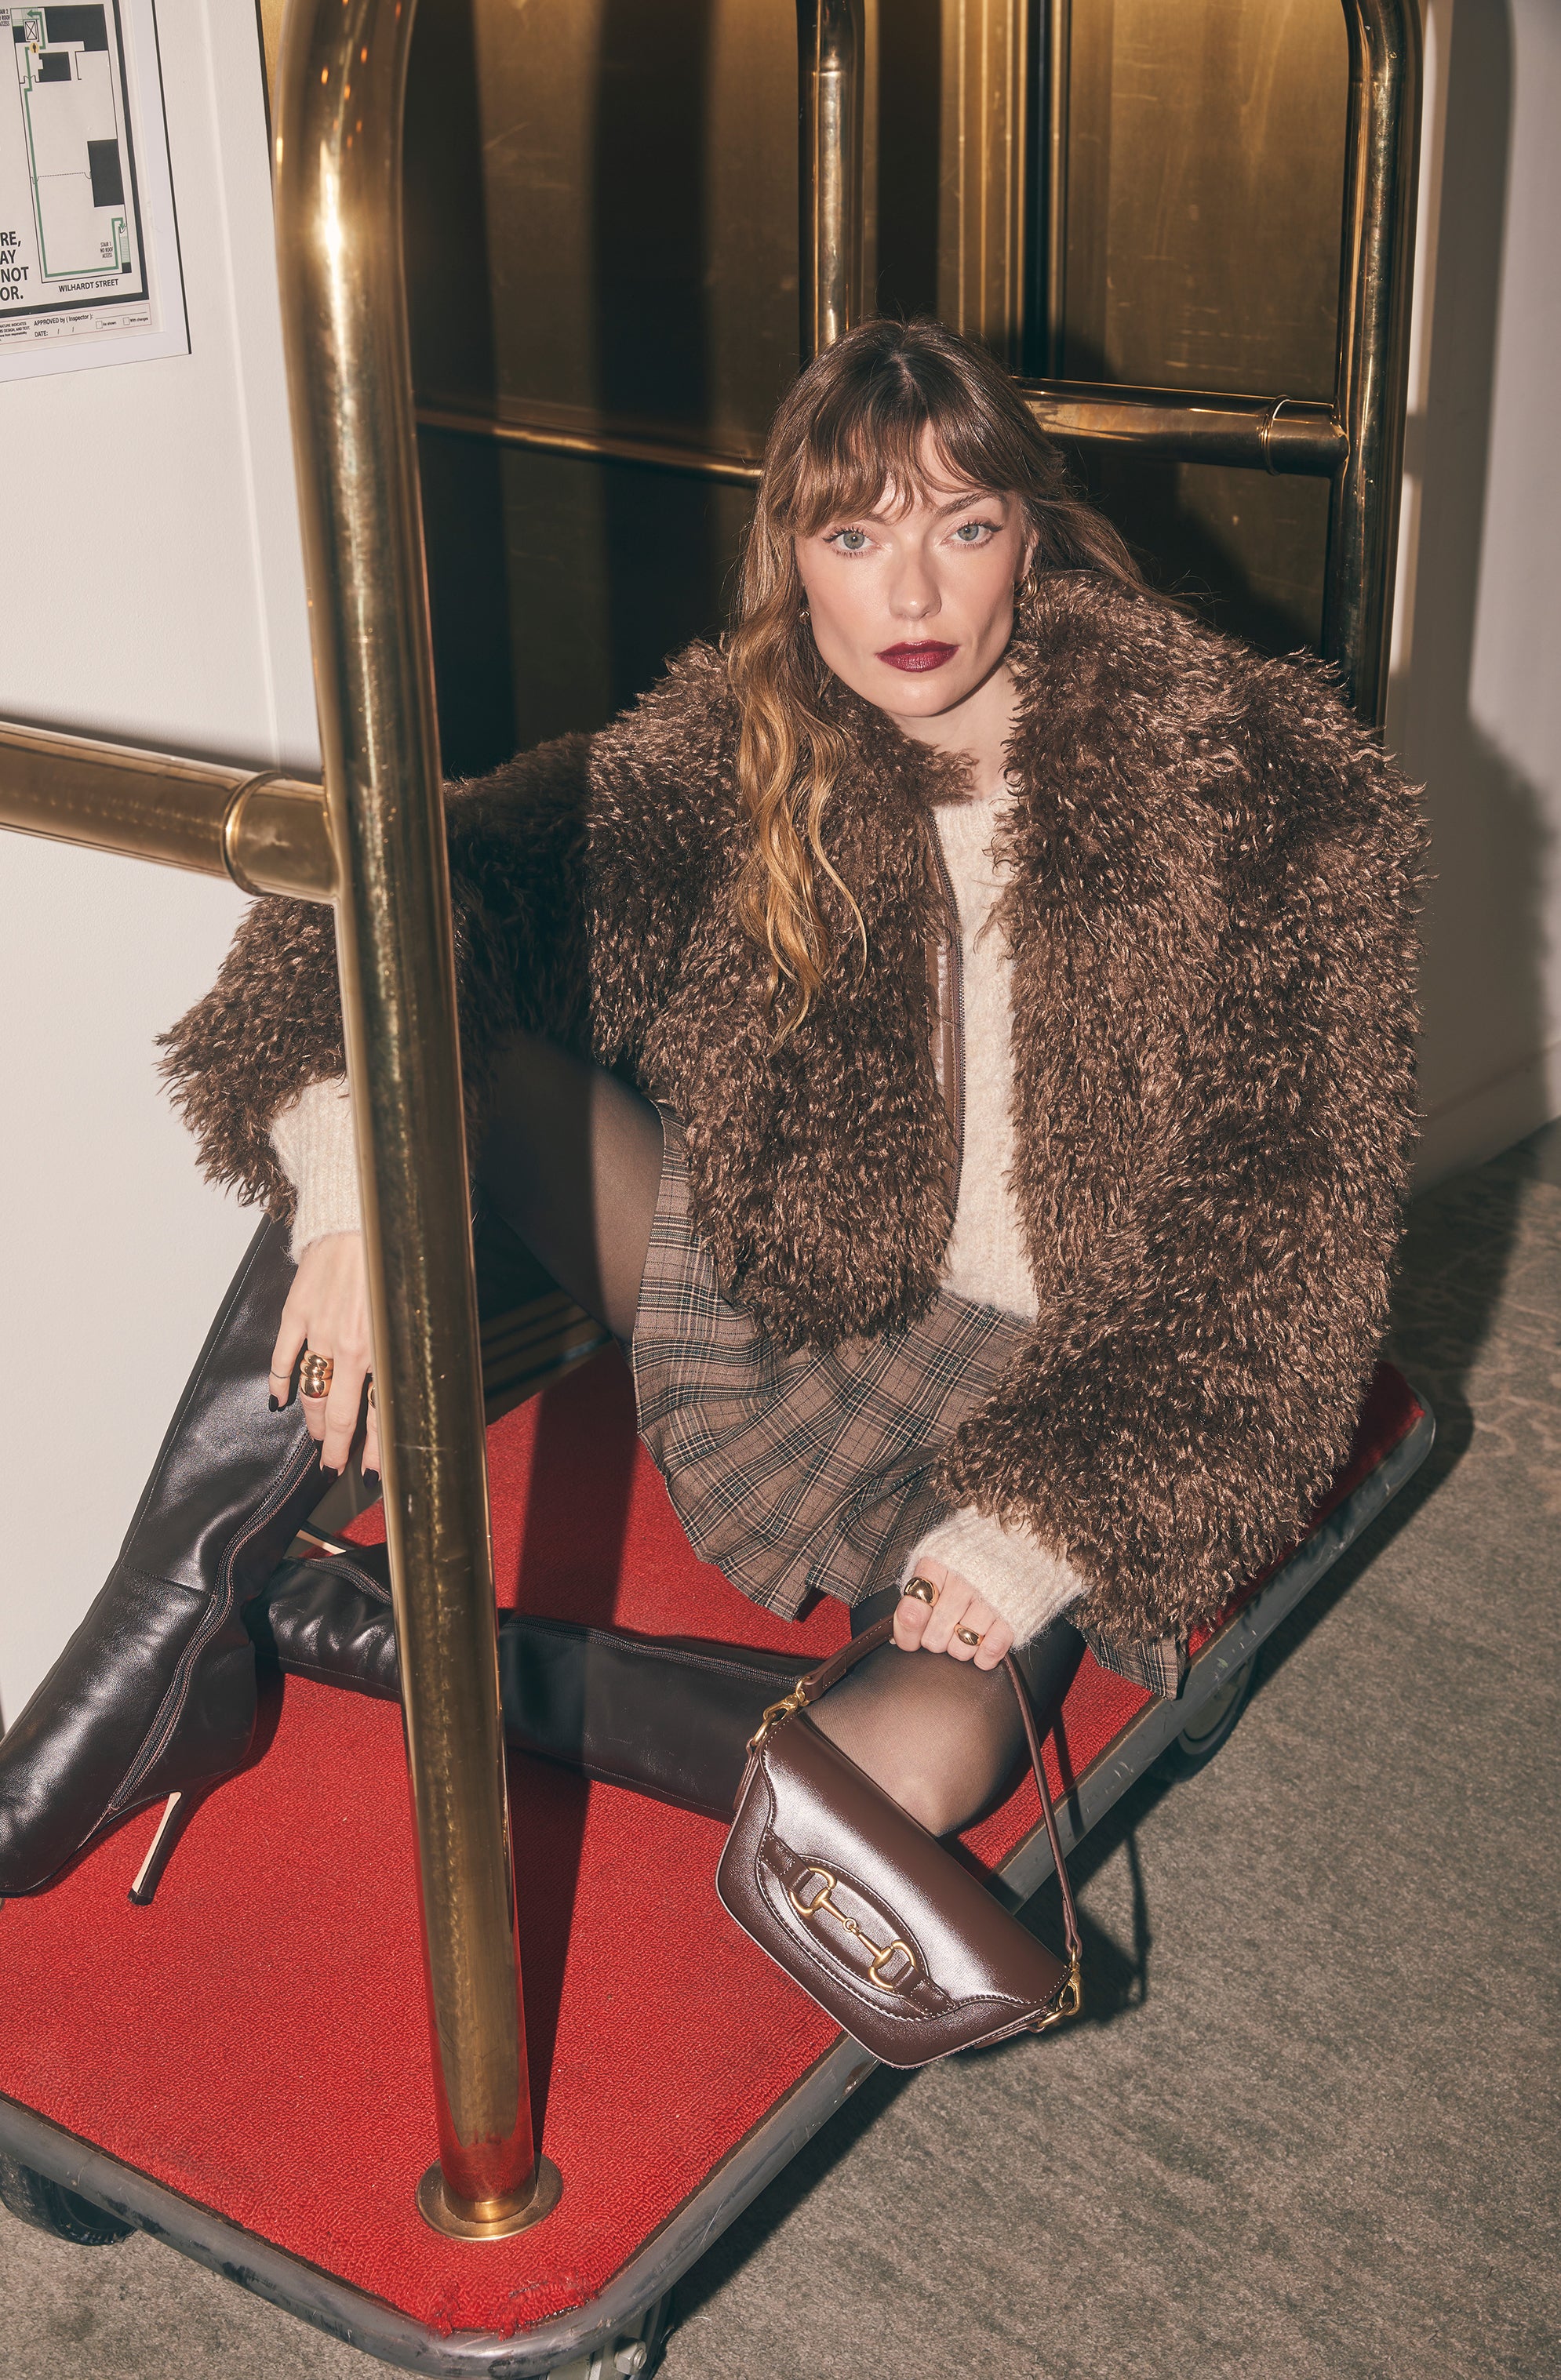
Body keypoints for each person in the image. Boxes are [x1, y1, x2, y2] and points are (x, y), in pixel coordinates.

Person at [0, 319, 1421, 1902]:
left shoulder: (1264, 792)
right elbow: (424, 878)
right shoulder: (745, 742)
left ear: (1033, 531)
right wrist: (350, 1188)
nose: (911, 596)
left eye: (963, 527)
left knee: (901, 1787)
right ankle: (161, 1637)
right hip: (800, 1299)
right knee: (402, 1053)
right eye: (852, 534)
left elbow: (1278, 1266)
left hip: (1068, 1389)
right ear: (793, 556)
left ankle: (351, 1633)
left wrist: (1033, 1536)